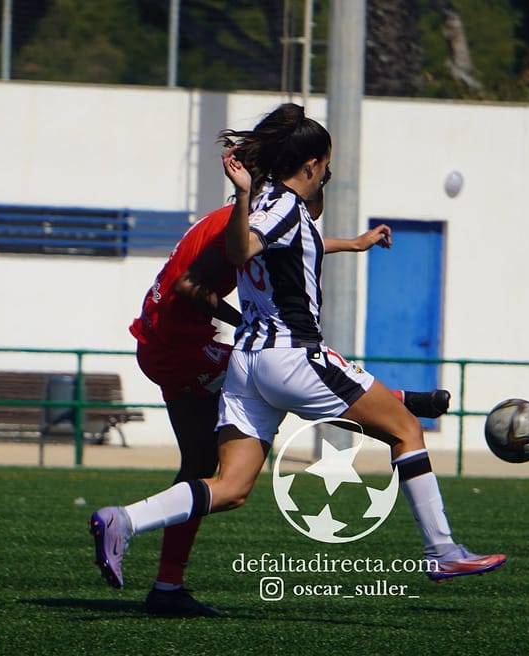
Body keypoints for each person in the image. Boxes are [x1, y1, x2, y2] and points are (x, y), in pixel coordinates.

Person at [90, 103, 503, 606]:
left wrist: (352, 242)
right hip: (291, 355)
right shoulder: (280, 204)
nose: (326, 175)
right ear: (310, 165)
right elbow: (244, 249)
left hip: (246, 365)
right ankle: (442, 550)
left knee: (231, 486)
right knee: (405, 430)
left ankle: (124, 519)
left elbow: (281, 243)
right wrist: (246, 195)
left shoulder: (267, 201)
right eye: (325, 166)